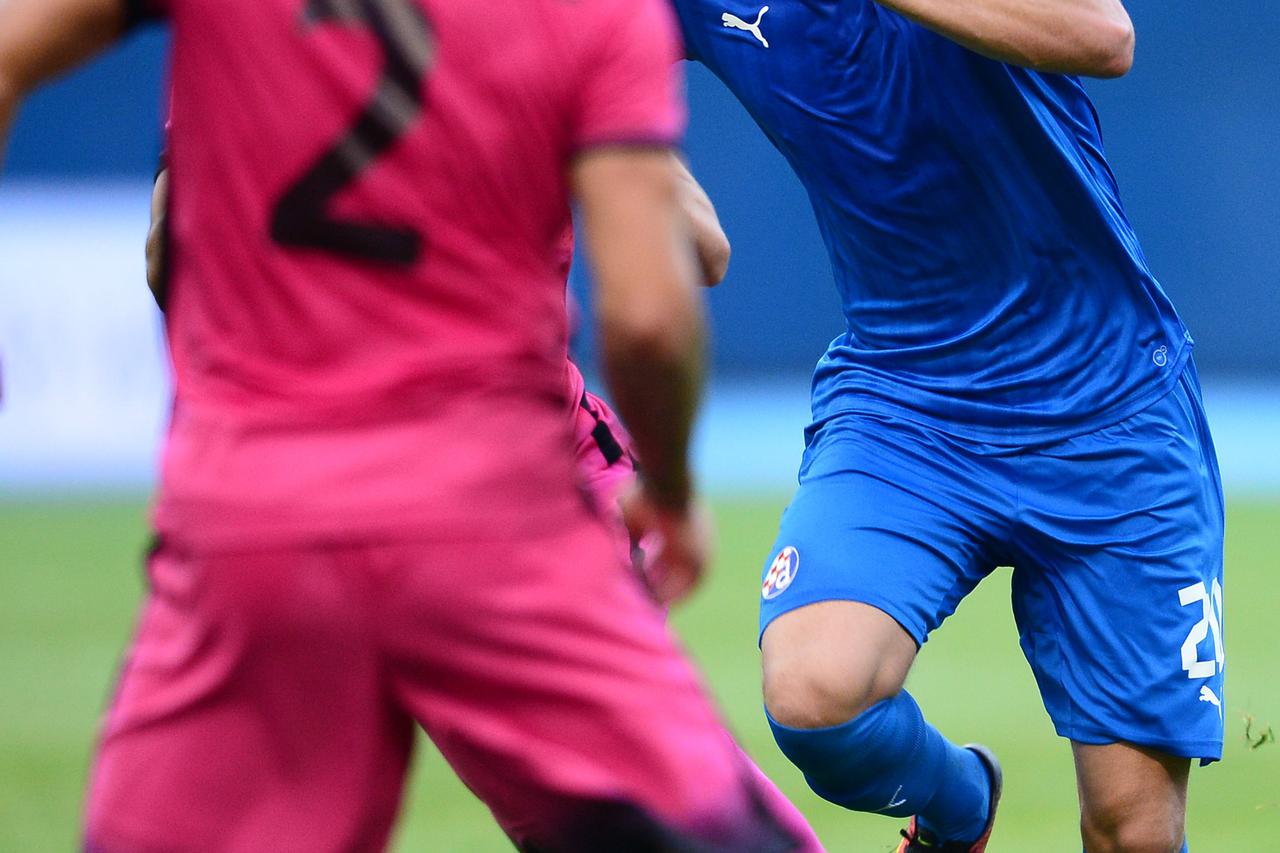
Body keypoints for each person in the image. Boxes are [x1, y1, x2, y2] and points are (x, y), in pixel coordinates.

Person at [0, 0, 812, 849]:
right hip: (493, 511)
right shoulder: (586, 14)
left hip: (256, 506)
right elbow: (660, 303)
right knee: (674, 823)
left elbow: (166, 242)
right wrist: (675, 490)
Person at [144, 157, 826, 851]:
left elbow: (169, 258)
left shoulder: (251, 56)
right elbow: (700, 255)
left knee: (599, 797)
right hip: (519, 479)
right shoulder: (566, 44)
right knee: (628, 788)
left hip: (317, 483)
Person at [667, 0, 1224, 851]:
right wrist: (641, 169)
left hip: (1108, 409)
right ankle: (961, 806)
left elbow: (1104, 35)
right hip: (905, 404)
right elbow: (544, 48)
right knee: (815, 693)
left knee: (1133, 832)